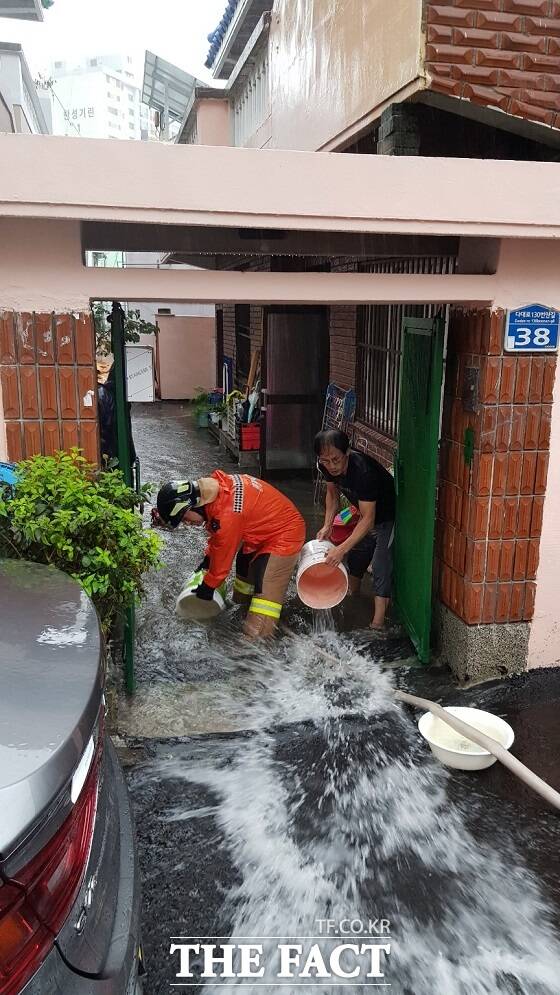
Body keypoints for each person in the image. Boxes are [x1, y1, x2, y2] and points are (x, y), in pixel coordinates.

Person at [155, 471, 306, 637]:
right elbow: (218, 540)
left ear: (190, 505)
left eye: (184, 518)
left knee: (265, 601)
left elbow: (222, 561)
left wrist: (208, 586)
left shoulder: (227, 514)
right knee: (243, 582)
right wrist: (208, 559)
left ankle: (254, 646)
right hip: (261, 530)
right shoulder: (214, 490)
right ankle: (241, 612)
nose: (188, 523)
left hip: (285, 534)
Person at [314, 429, 395, 630]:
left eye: (336, 459)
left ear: (347, 453)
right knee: (358, 557)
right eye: (326, 460)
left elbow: (369, 519)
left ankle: (377, 624)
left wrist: (341, 549)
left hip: (388, 516)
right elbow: (332, 496)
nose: (332, 466)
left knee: (379, 564)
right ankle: (351, 599)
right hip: (365, 514)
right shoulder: (324, 465)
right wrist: (327, 525)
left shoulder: (363, 472)